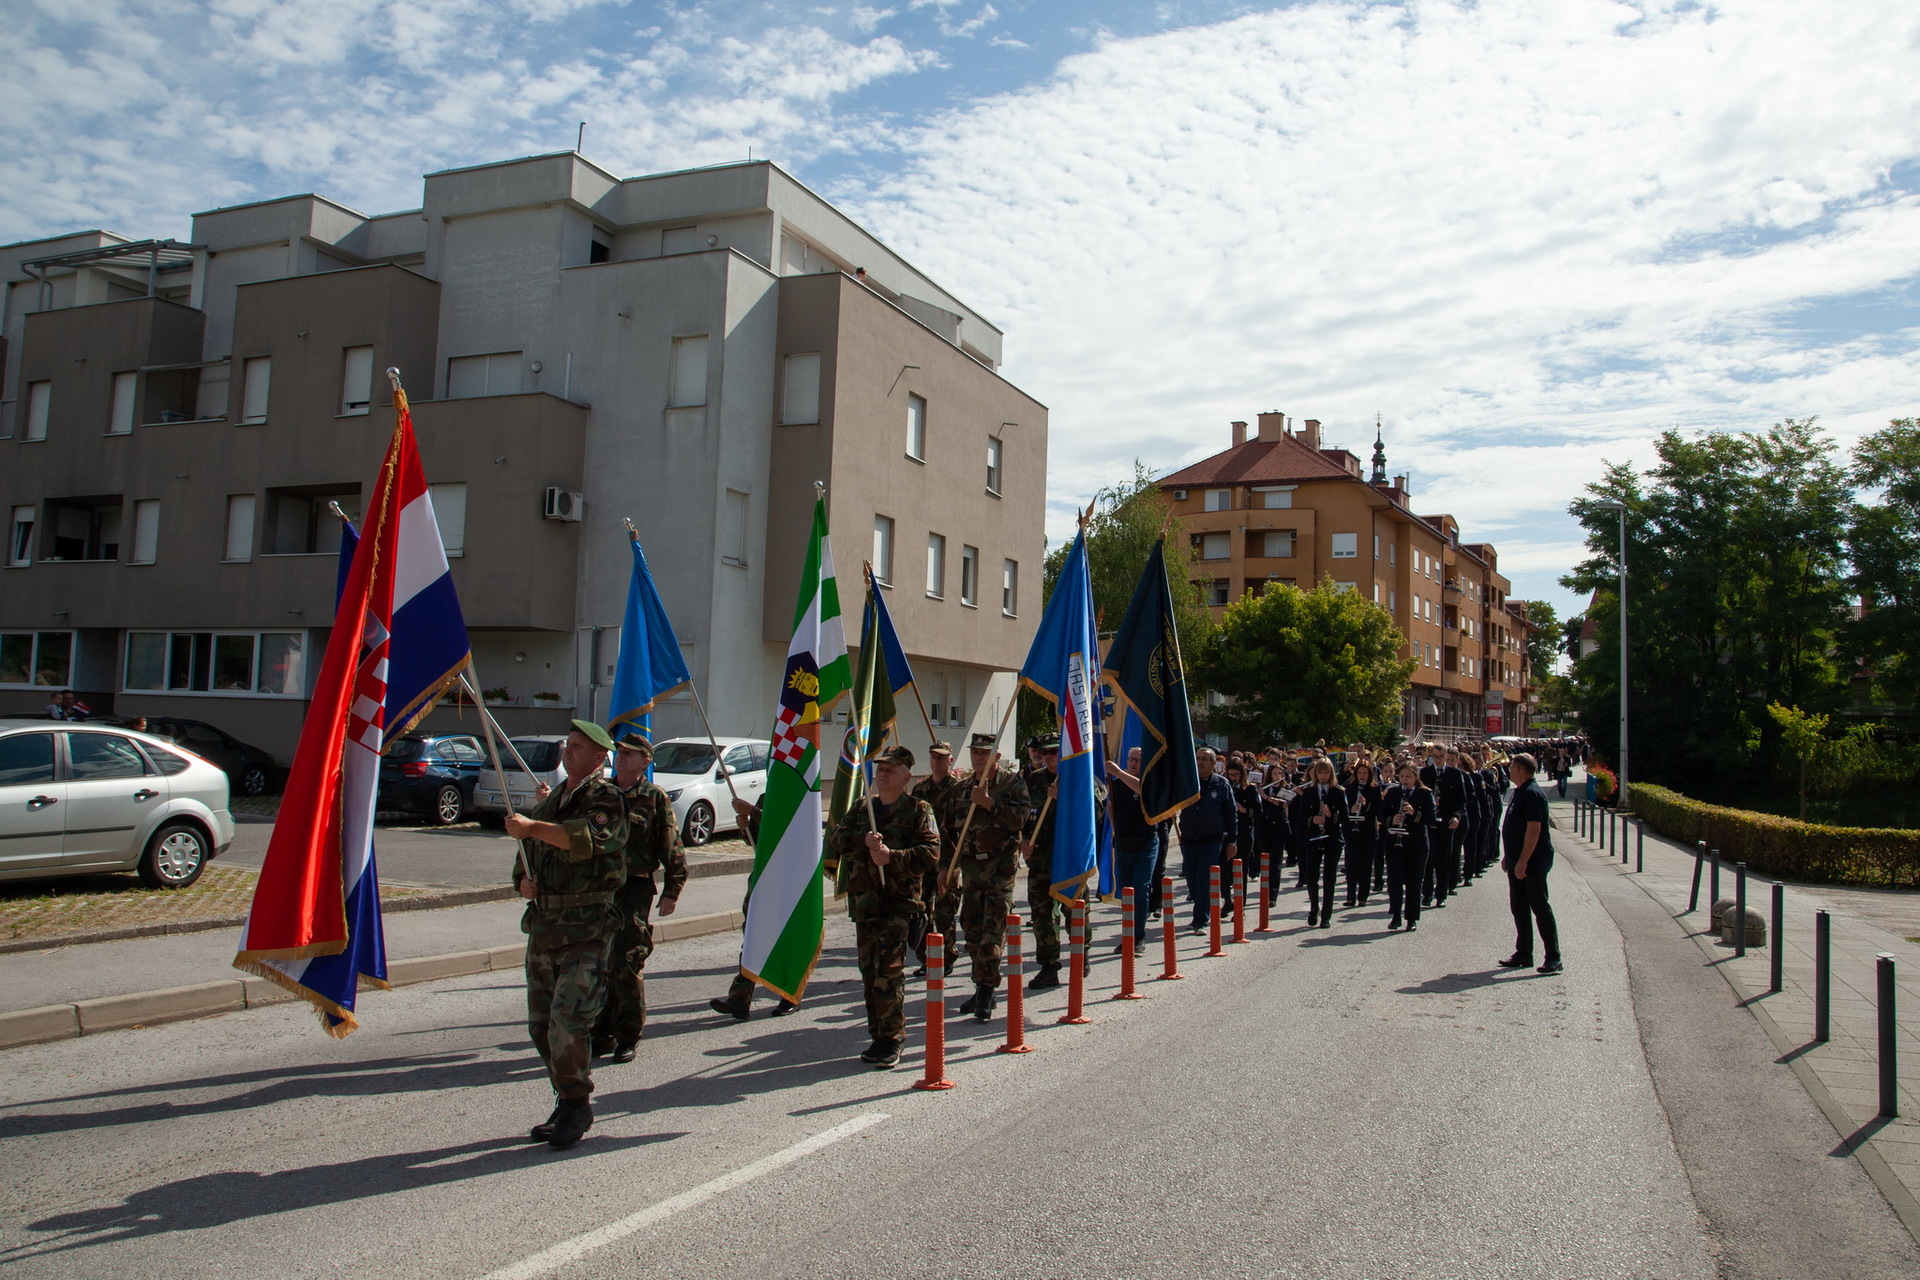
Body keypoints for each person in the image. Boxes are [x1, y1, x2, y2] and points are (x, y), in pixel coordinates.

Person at [507, 719, 629, 1149]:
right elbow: (528, 858)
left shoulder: (606, 798)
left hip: (586, 927)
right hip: (544, 926)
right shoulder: (554, 798)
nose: (568, 751)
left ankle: (578, 1103)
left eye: (577, 747)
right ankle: (565, 1096)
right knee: (540, 1027)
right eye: (567, 745)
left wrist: (532, 828)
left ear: (599, 757)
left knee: (568, 1021)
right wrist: (522, 882)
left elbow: (589, 839)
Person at [828, 745, 941, 1068]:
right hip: (865, 903)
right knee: (869, 970)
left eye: (891, 768)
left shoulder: (918, 809)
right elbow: (837, 839)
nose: (883, 772)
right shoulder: (864, 807)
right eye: (881, 767)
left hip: (898, 903)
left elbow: (931, 853)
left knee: (888, 972)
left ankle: (893, 1037)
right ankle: (877, 1034)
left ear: (906, 776)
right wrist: (864, 840)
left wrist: (893, 857)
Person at [592, 731, 685, 1064]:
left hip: (634, 886)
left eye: (630, 753)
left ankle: (628, 1035)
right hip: (599, 888)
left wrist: (673, 889)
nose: (621, 756)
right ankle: (601, 1032)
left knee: (627, 959)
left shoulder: (654, 797)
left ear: (646, 761)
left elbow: (670, 844)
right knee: (598, 962)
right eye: (619, 751)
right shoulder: (599, 792)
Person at [945, 732, 1030, 1019]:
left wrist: (989, 804)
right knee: (971, 930)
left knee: (993, 931)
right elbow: (947, 832)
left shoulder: (1012, 783)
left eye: (984, 753)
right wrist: (946, 868)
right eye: (975, 753)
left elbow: (1021, 820)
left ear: (996, 756)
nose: (979, 758)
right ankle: (982, 984)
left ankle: (985, 991)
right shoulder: (961, 789)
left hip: (1000, 868)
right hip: (971, 871)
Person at [709, 796, 800, 1020]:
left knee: (785, 938)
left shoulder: (801, 789)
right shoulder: (768, 795)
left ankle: (790, 994)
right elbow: (758, 839)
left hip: (790, 879)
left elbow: (789, 830)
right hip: (763, 876)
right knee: (753, 936)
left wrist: (752, 810)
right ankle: (740, 998)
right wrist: (744, 827)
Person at [1499, 753, 1562, 974]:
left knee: (1539, 907)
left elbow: (1533, 829)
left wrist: (1523, 860)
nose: (1509, 770)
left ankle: (1553, 957)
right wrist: (1510, 857)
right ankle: (1523, 952)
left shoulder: (1533, 794)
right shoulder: (1520, 792)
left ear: (1519, 769)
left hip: (1533, 862)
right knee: (1519, 908)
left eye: (1511, 767)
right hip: (1518, 861)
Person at [910, 741, 967, 977]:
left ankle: (947, 956)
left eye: (942, 758)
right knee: (922, 909)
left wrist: (948, 865)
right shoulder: (920, 790)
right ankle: (926, 958)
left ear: (950, 761)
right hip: (924, 859)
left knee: (945, 910)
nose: (936, 761)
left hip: (948, 857)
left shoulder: (957, 789)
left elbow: (959, 830)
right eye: (933, 757)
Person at [1017, 735, 1067, 988]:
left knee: (1075, 910)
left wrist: (1064, 799)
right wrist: (1022, 841)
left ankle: (1083, 953)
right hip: (1039, 860)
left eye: (1053, 752)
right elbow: (1023, 815)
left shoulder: (1079, 778)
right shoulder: (1033, 780)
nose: (1047, 757)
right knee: (1041, 917)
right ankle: (1049, 967)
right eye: (1043, 753)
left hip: (1068, 859)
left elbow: (1095, 814)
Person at [1177, 747, 1239, 934]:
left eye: (1205, 759)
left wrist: (1232, 841)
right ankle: (1202, 908)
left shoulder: (1222, 784)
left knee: (1204, 879)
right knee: (1192, 881)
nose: (1200, 762)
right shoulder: (1187, 783)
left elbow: (1231, 814)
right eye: (1197, 758)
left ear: (1213, 763)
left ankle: (1200, 920)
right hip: (1188, 839)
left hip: (1211, 840)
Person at [1105, 746, 1156, 955]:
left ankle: (1139, 935)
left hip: (1146, 841)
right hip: (1123, 842)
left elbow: (1142, 791)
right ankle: (1127, 935)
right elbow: (1110, 806)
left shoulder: (1148, 782)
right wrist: (1115, 828)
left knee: (1141, 888)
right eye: (1130, 759)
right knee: (1126, 891)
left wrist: (1118, 772)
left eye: (1137, 760)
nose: (1133, 763)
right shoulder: (1116, 785)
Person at [1290, 757, 1348, 928]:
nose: (1323, 776)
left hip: (1332, 838)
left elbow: (1345, 817)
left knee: (1329, 878)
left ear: (1331, 773)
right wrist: (1312, 820)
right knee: (1311, 876)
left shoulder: (1338, 791)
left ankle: (1326, 915)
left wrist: (1331, 816)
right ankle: (1314, 908)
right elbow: (1300, 817)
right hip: (1314, 838)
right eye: (1320, 772)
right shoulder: (1308, 791)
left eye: (1326, 772)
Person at [1380, 762, 1435, 932]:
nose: (1405, 780)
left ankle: (1411, 918)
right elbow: (1381, 814)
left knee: (1414, 882)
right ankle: (1395, 916)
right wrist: (1392, 819)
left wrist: (1413, 813)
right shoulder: (1393, 792)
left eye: (1408, 777)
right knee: (1394, 881)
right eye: (1402, 776)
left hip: (1416, 843)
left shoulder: (1425, 793)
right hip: (1395, 843)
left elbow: (1431, 818)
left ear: (1415, 777)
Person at [1342, 759, 1382, 908]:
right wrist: (1351, 807)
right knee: (1351, 864)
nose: (1362, 776)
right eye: (1359, 773)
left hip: (1368, 831)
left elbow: (1378, 809)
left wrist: (1367, 804)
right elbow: (1343, 806)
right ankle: (1350, 896)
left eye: (1365, 773)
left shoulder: (1375, 788)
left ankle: (1363, 897)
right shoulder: (1349, 787)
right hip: (1351, 830)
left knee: (1366, 865)